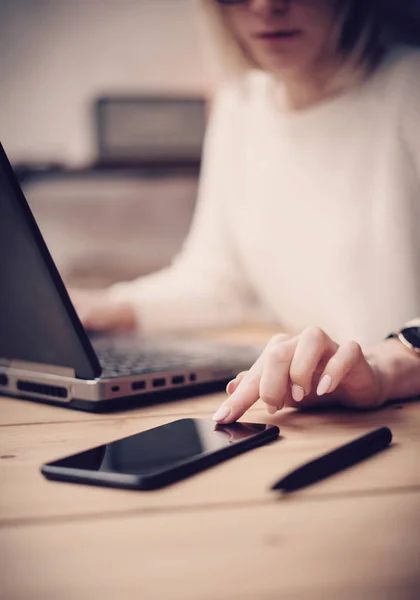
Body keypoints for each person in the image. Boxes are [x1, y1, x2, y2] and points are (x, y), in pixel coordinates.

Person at [71, 0, 420, 424]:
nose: (266, 5)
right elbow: (218, 278)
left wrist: (386, 366)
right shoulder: (241, 103)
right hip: (316, 410)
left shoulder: (410, 89)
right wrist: (109, 307)